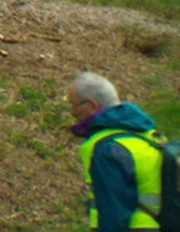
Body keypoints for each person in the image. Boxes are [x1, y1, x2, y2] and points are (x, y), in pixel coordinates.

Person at [67, 71, 166, 232]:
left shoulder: (108, 148)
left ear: (91, 105)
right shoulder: (148, 135)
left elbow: (113, 209)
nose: (72, 112)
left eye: (74, 105)